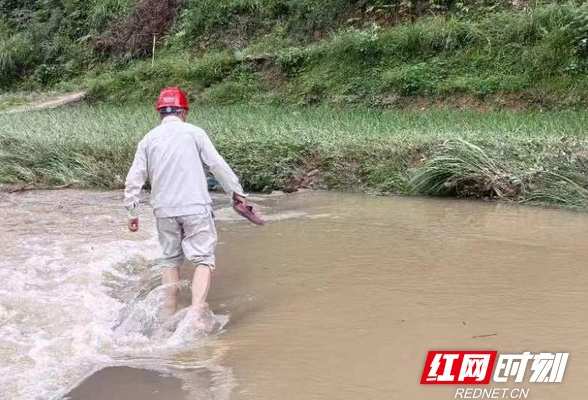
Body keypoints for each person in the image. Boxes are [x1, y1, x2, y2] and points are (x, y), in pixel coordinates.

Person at [124, 87, 248, 331]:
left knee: (170, 260)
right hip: (194, 207)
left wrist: (132, 211)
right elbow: (217, 165)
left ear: (159, 113)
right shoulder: (194, 133)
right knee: (203, 259)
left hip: (164, 210)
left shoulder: (148, 139)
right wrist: (237, 194)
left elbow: (134, 177)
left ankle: (168, 314)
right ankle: (197, 313)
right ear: (185, 111)